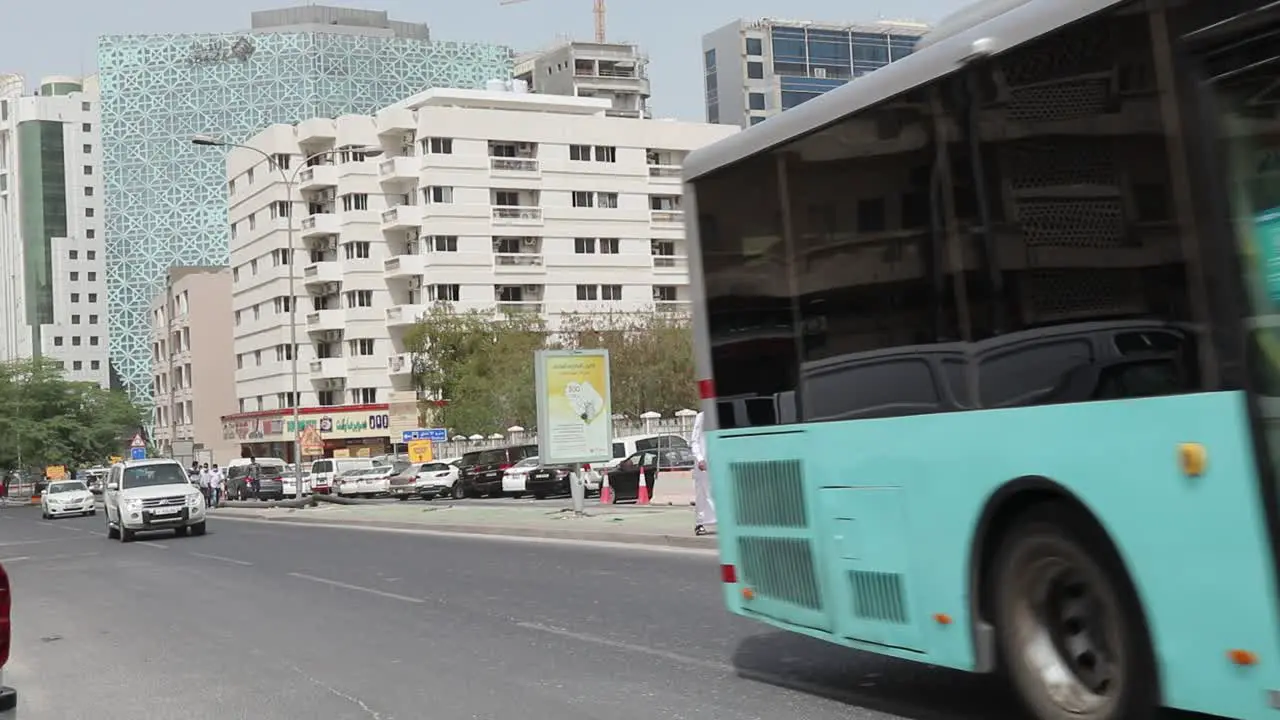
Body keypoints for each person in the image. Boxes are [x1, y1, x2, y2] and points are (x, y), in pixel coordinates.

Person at [691, 409, 716, 536]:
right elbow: (694, 441)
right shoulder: (702, 417)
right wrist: (700, 459)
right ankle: (699, 523)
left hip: (718, 461)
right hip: (704, 464)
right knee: (703, 493)